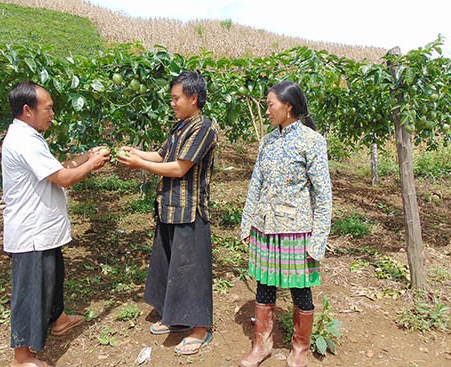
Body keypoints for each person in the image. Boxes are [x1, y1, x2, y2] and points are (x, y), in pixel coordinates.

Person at [2, 80, 110, 367]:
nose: (52, 114)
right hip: (31, 232)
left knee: (52, 277)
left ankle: (58, 319)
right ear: (27, 110)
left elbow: (58, 168)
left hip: (42, 229)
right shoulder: (23, 140)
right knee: (30, 291)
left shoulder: (30, 136)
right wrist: (93, 165)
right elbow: (64, 178)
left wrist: (86, 155)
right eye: (48, 108)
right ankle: (22, 357)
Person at [116, 71, 218, 355]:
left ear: (193, 98)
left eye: (176, 98)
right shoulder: (180, 126)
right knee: (172, 265)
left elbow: (179, 167)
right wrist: (134, 152)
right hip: (169, 207)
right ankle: (176, 318)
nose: (172, 103)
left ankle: (199, 328)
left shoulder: (203, 128)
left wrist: (139, 165)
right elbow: (163, 157)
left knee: (192, 271)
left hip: (190, 209)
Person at [239, 81, 332, 367]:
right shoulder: (267, 141)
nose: (267, 110)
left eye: (270, 105)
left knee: (300, 288)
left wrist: (318, 240)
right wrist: (247, 222)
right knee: (264, 285)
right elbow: (256, 184)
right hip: (266, 228)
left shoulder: (311, 141)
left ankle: (300, 348)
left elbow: (323, 194)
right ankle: (261, 344)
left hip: (296, 231)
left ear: (287, 107)